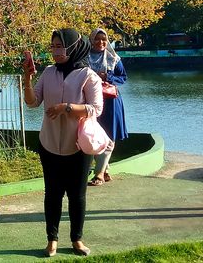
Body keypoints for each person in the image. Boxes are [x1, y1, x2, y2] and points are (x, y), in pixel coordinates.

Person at [23, 29, 103, 257]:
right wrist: (28, 79)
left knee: (77, 195)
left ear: (73, 46)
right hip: (48, 144)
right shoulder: (48, 73)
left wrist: (66, 108)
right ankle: (52, 239)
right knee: (52, 194)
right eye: (53, 46)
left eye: (60, 46)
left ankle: (77, 239)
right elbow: (32, 102)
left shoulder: (88, 76)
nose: (56, 51)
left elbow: (96, 109)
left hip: (77, 146)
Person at [87, 28, 127, 186]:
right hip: (90, 102)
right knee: (93, 135)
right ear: (91, 40)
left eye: (104, 39)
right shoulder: (84, 58)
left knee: (109, 135)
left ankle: (99, 174)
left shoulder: (113, 58)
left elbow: (123, 78)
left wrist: (107, 77)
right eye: (97, 39)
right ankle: (105, 170)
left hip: (110, 102)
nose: (100, 42)